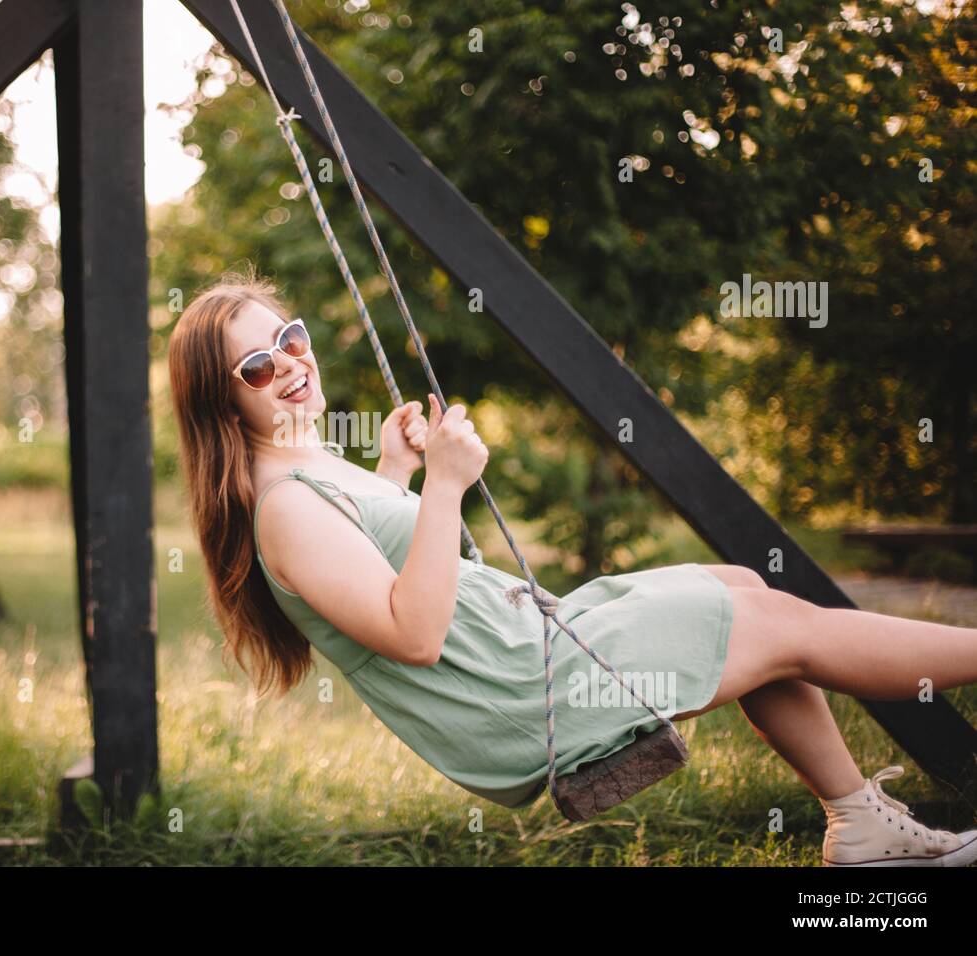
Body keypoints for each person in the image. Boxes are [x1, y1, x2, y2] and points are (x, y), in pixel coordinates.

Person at [166, 268, 977, 867]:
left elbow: (368, 559)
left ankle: (859, 820)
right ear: (222, 400)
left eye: (290, 337)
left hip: (531, 641)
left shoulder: (308, 470)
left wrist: (398, 475)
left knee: (743, 587)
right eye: (259, 367)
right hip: (523, 689)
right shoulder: (282, 508)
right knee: (779, 626)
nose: (292, 363)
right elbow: (412, 632)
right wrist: (447, 485)